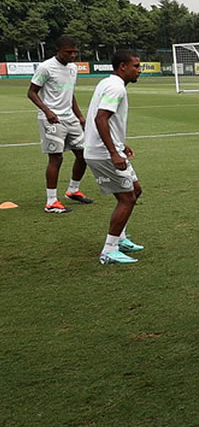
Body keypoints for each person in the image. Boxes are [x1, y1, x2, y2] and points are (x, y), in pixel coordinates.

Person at [82, 51, 146, 264]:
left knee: (135, 190)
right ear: (122, 67)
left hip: (108, 149)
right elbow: (101, 118)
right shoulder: (116, 87)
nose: (139, 70)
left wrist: (120, 144)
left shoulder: (107, 83)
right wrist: (112, 152)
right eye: (136, 66)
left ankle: (121, 238)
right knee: (126, 198)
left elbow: (103, 119)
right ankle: (109, 250)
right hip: (103, 154)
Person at [27, 36, 93, 213]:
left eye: (74, 52)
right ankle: (51, 202)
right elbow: (32, 92)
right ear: (58, 50)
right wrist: (48, 111)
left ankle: (72, 190)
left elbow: (69, 94)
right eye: (68, 52)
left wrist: (80, 116)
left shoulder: (73, 68)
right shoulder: (45, 67)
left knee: (84, 154)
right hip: (51, 119)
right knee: (56, 158)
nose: (72, 55)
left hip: (70, 118)